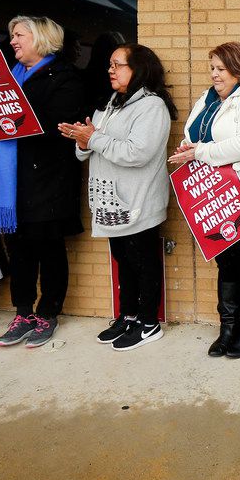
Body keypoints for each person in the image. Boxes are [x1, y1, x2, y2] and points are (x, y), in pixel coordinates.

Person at [0, 16, 84, 349]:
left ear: (41, 38)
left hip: (47, 177)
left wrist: (8, 108)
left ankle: (48, 312)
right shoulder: (6, 77)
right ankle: (24, 312)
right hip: (11, 180)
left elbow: (58, 124)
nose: (12, 41)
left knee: (48, 246)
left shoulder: (65, 76)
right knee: (18, 247)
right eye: (11, 34)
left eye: (19, 35)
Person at [60, 44, 175, 351]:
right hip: (111, 200)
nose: (110, 70)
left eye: (118, 65)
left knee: (143, 261)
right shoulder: (110, 103)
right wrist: (82, 140)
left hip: (140, 199)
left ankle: (149, 323)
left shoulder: (152, 106)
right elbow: (85, 152)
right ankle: (130, 315)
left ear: (138, 69)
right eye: (109, 65)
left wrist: (93, 138)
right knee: (122, 259)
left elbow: (137, 153)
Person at [168, 42, 240, 359]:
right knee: (225, 261)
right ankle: (227, 328)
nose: (214, 74)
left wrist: (200, 152)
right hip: (214, 194)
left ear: (239, 69)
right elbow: (193, 130)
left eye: (221, 68)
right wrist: (189, 146)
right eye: (212, 68)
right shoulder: (209, 97)